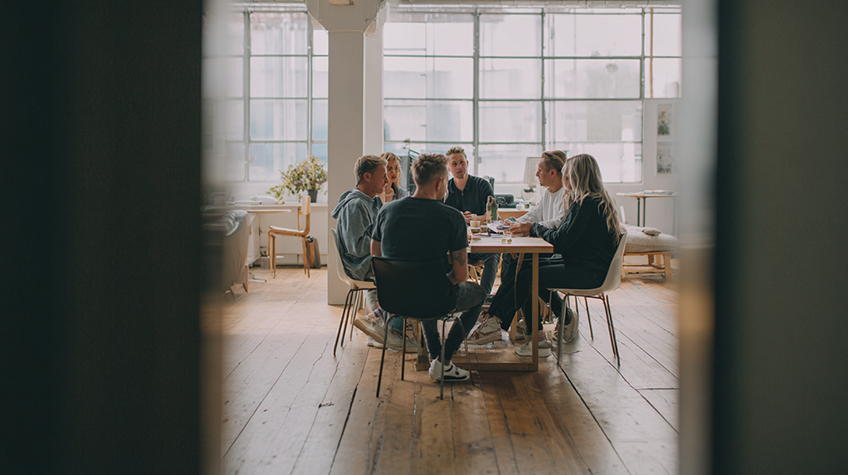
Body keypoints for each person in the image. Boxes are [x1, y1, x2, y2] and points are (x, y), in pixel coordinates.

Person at [481, 154, 622, 357]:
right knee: (524, 267)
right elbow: (562, 236)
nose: (564, 179)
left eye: (566, 175)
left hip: (588, 273)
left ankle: (500, 324)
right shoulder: (592, 200)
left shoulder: (586, 204)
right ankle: (509, 327)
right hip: (585, 266)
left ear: (576, 177)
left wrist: (534, 228)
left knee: (527, 276)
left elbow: (560, 240)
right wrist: (532, 227)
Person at [371, 153, 486, 382]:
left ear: (415, 180)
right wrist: (439, 279)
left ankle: (436, 358)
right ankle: (443, 359)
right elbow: (461, 275)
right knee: (478, 293)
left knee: (425, 285)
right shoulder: (452, 217)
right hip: (434, 299)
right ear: (440, 182)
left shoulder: (387, 210)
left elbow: (376, 258)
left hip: (393, 299)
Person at [468, 150, 568, 345]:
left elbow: (558, 223)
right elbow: (533, 214)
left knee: (522, 269)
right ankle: (522, 325)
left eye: (540, 170)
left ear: (552, 173)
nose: (536, 174)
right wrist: (513, 223)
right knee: (513, 261)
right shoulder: (548, 193)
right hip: (544, 249)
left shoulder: (566, 195)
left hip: (555, 254)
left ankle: (498, 320)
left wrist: (531, 226)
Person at [331, 154, 417, 351]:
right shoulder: (355, 205)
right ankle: (392, 330)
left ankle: (382, 322)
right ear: (367, 176)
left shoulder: (371, 201)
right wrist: (388, 242)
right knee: (410, 270)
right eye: (382, 175)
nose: (387, 180)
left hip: (370, 259)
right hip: (360, 265)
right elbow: (356, 247)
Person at [443, 146, 500, 295]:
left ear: (467, 163)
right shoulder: (445, 189)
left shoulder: (482, 185)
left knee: (493, 255)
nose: (459, 167)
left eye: (462, 162)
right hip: (457, 245)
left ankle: (483, 297)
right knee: (442, 256)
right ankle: (454, 298)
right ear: (448, 168)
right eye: (454, 164)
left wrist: (475, 218)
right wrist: (458, 219)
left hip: (481, 243)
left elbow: (493, 215)